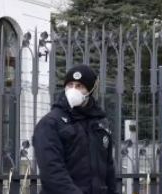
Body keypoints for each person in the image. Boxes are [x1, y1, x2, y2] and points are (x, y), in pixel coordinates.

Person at [34, 64, 117, 194]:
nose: (73, 90)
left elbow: (109, 170)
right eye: (70, 85)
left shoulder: (100, 124)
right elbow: (52, 172)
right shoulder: (50, 123)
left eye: (79, 86)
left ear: (90, 90)